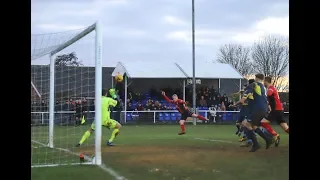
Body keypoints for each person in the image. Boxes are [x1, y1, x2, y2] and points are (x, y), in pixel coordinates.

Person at [240, 74, 274, 152]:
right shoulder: (263, 87)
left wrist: (241, 99)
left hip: (257, 109)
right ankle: (268, 140)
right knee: (254, 126)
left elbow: (243, 100)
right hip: (264, 109)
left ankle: (256, 144)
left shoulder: (253, 84)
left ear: (256, 78)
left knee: (246, 124)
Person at [261, 76, 289, 147]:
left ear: (266, 81)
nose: (263, 83)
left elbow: (270, 93)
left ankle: (275, 135)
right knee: (285, 128)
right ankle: (275, 135)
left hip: (276, 110)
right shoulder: (272, 88)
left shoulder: (271, 88)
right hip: (279, 110)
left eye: (264, 81)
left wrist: (266, 94)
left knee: (263, 122)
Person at [232, 79, 255, 147]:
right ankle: (241, 131)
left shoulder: (250, 91)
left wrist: (234, 104)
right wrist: (237, 94)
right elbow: (241, 92)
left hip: (248, 109)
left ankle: (249, 139)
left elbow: (242, 101)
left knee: (246, 124)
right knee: (238, 123)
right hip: (243, 109)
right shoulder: (247, 90)